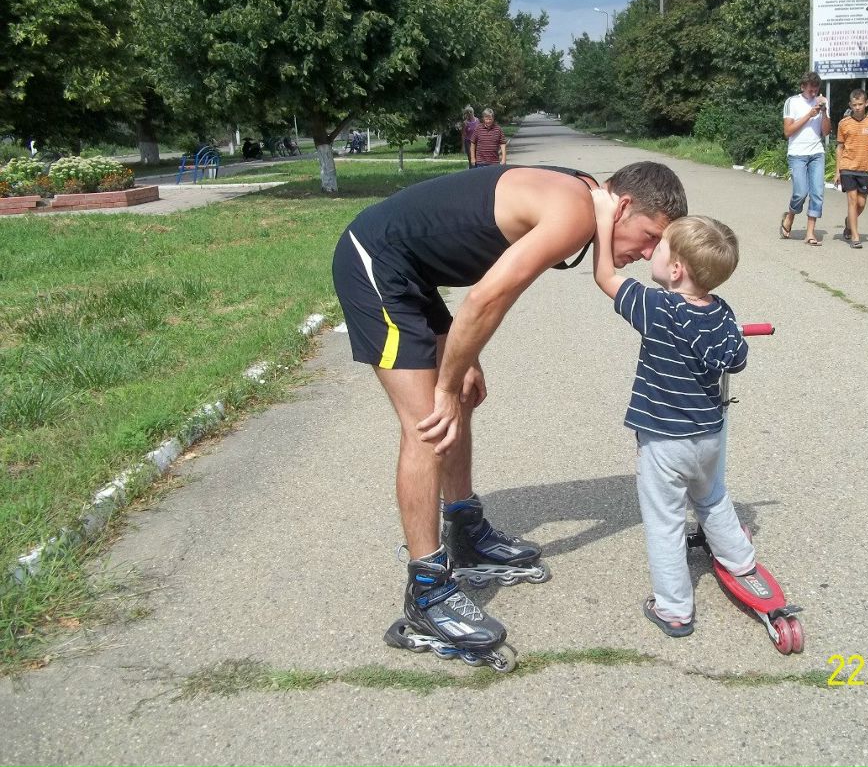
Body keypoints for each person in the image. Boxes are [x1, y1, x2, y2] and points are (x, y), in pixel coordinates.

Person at [332, 161, 688, 654]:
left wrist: (463, 364)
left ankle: (464, 528)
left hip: (411, 266)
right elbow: (484, 299)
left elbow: (484, 289)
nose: (648, 253)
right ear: (622, 206)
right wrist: (447, 382)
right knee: (428, 425)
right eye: (649, 236)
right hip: (375, 260)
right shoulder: (575, 214)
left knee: (459, 400)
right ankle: (427, 591)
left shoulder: (581, 198)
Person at [589, 191, 756, 637]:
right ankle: (739, 558)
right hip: (707, 436)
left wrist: (604, 221)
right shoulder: (720, 312)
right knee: (712, 496)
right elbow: (736, 358)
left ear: (676, 269)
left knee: (665, 522)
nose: (652, 251)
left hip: (664, 442)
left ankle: (675, 608)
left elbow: (604, 275)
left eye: (660, 247)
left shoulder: (656, 307)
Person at [779, 72, 830, 246]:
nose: (813, 93)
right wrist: (809, 115)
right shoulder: (792, 102)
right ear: (802, 87)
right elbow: (787, 132)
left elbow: (826, 132)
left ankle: (810, 233)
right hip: (797, 154)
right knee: (800, 193)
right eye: (810, 90)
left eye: (816, 90)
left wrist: (823, 112)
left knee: (817, 193)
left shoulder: (822, 102)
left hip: (817, 152)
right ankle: (790, 216)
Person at [833, 89, 868, 249]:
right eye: (854, 105)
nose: (858, 107)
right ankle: (855, 236)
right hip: (847, 167)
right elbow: (840, 148)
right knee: (852, 201)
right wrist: (837, 171)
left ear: (866, 103)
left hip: (865, 168)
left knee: (861, 203)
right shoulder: (844, 123)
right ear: (850, 105)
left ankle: (849, 222)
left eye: (860, 104)